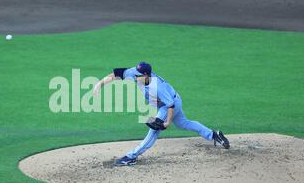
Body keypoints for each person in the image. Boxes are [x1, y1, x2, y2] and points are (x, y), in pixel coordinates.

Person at [93, 62, 230, 166]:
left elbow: (170, 105)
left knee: (154, 129)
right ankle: (214, 134)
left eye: (138, 74)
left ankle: (131, 157)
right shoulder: (135, 74)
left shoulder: (157, 86)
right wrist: (100, 84)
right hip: (169, 102)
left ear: (146, 75)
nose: (135, 75)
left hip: (170, 104)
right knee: (184, 124)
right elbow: (117, 74)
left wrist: (167, 123)